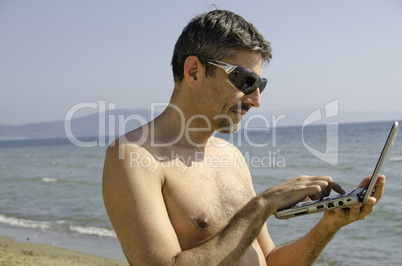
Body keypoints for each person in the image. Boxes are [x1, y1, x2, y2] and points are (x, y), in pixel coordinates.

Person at [102, 9, 385, 265]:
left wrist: (328, 226)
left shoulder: (230, 156)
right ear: (194, 71)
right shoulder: (133, 156)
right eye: (245, 81)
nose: (256, 99)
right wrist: (263, 205)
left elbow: (270, 261)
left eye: (260, 84)